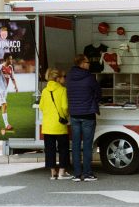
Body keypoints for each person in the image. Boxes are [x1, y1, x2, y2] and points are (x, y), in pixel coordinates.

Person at [66, 54, 101, 182]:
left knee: (75, 145)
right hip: (88, 115)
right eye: (87, 62)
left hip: (74, 114)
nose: (89, 64)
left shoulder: (69, 76)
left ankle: (76, 174)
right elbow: (98, 93)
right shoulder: (89, 77)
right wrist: (94, 101)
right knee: (87, 144)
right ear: (82, 63)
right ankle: (87, 173)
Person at [39, 68, 72, 179]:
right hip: (59, 125)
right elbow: (65, 107)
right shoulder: (62, 90)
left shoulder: (44, 91)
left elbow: (41, 107)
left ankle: (53, 173)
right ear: (57, 79)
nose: (64, 79)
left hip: (47, 126)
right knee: (63, 149)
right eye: (63, 77)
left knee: (50, 150)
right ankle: (62, 172)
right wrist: (65, 116)